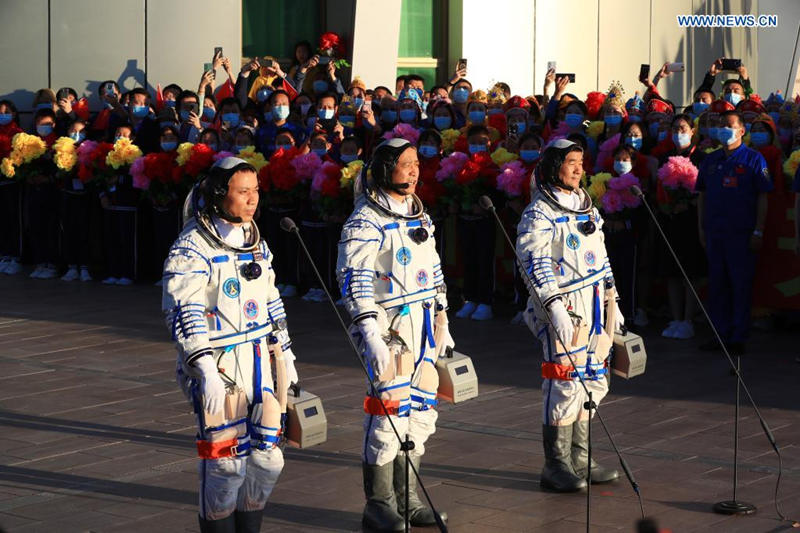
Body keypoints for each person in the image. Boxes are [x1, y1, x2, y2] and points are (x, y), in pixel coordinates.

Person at [162, 157, 299, 532]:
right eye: (243, 192)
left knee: (268, 458)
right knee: (224, 464)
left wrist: (285, 353)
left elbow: (271, 299)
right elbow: (182, 308)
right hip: (219, 363)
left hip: (260, 361)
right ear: (220, 194)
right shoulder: (193, 246)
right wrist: (203, 369)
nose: (252, 199)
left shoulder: (255, 240)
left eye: (255, 190)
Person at [337, 138, 452, 530]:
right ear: (385, 170)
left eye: (416, 162)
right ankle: (379, 503)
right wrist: (369, 330)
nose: (414, 170)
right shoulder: (366, 221)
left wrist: (442, 318)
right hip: (389, 328)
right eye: (404, 163)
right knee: (388, 413)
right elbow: (353, 279)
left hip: (422, 325)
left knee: (420, 412)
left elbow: (434, 268)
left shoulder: (418, 215)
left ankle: (409, 498)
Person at [516, 139, 622, 493]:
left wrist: (612, 299)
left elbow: (602, 256)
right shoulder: (539, 213)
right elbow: (534, 262)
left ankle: (581, 456)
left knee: (592, 380)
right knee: (563, 382)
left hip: (593, 305)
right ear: (552, 167)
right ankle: (556, 464)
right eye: (571, 163)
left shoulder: (586, 207)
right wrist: (554, 306)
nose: (579, 169)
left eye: (581, 162)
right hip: (563, 307)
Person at [696, 110, 773, 354]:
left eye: (729, 125)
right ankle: (719, 334)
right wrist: (701, 228)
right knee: (717, 284)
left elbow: (764, 196)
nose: (723, 130)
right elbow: (702, 196)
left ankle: (738, 336)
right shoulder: (710, 160)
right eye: (720, 125)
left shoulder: (754, 159)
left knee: (740, 285)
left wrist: (759, 230)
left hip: (741, 234)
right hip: (715, 232)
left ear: (742, 130)